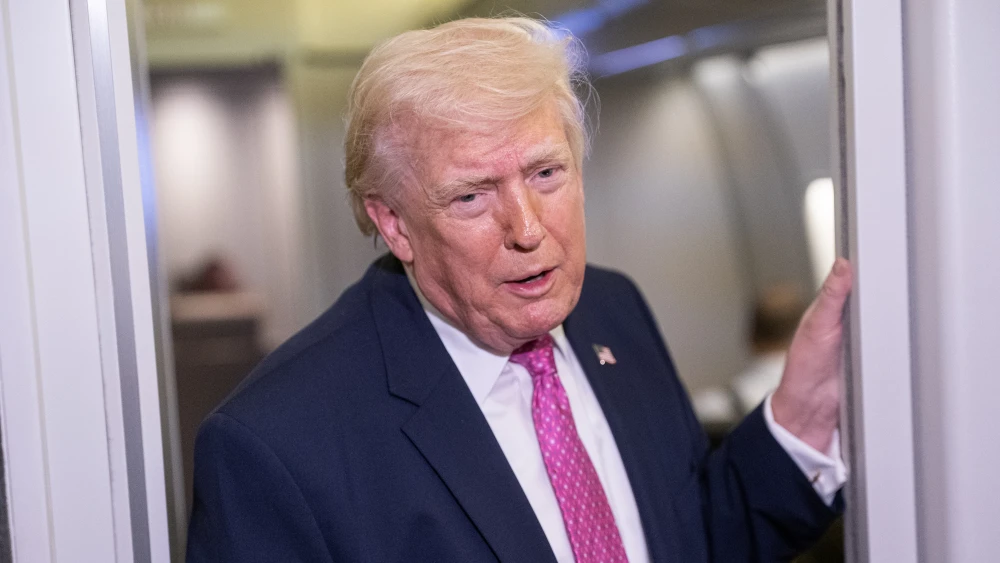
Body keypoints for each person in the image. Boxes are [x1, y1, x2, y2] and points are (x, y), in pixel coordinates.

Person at [186, 17, 853, 562]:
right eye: (472, 196)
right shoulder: (275, 447)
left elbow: (691, 539)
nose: (528, 229)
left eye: (545, 173)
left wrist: (796, 420)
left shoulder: (613, 309)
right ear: (394, 223)